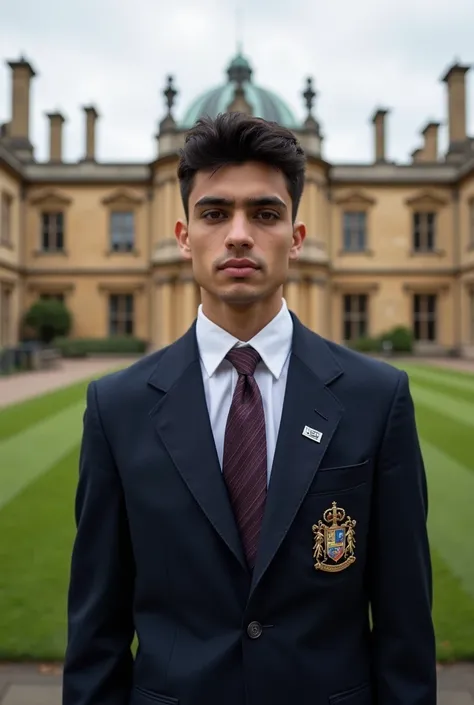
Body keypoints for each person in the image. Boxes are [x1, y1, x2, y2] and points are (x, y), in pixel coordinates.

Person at [62, 112, 437, 705]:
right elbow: (96, 631)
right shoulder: (118, 407)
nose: (239, 234)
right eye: (214, 213)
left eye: (264, 214)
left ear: (296, 236)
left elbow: (405, 625)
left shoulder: (377, 398)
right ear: (185, 236)